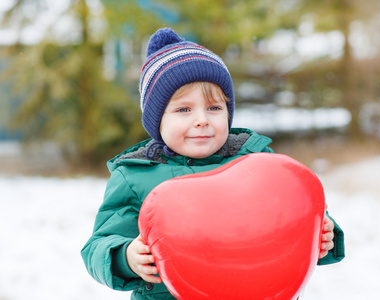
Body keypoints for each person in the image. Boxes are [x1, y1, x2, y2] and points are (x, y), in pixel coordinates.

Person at [81, 27, 345, 300]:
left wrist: (323, 234)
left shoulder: (256, 163)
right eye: (184, 109)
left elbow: (288, 218)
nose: (202, 120)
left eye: (214, 108)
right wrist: (126, 258)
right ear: (157, 120)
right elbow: (97, 246)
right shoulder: (135, 177)